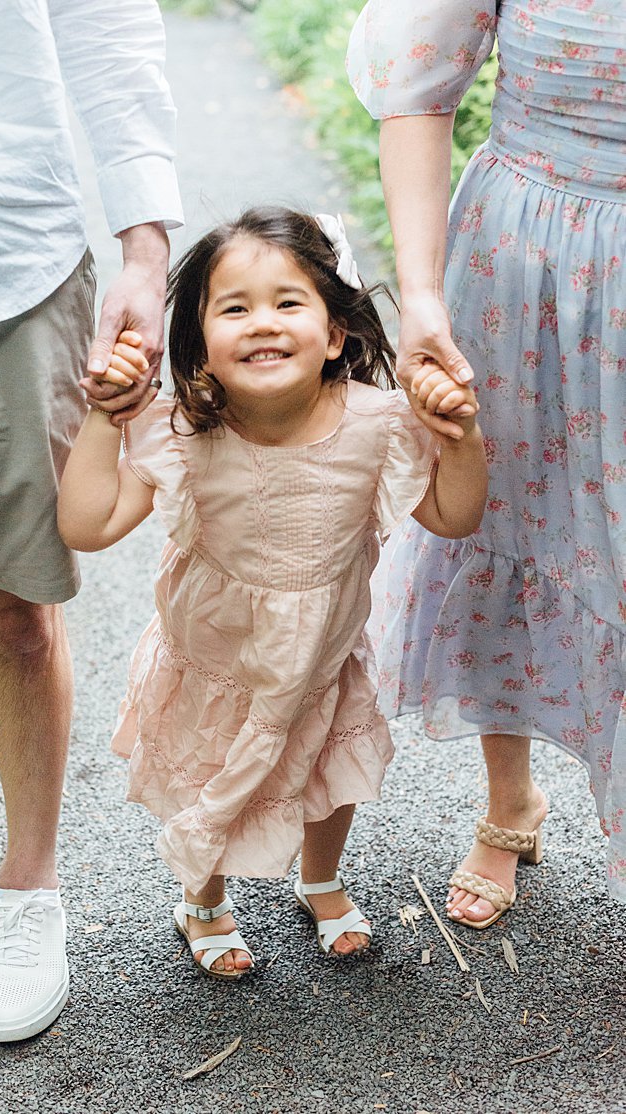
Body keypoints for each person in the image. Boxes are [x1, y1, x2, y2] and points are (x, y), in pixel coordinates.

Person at [57, 206, 488, 976]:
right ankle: (205, 899)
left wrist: (460, 436)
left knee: (328, 771)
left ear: (336, 334)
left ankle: (319, 878)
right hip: (214, 657)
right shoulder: (188, 429)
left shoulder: (380, 425)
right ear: (201, 345)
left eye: (288, 302)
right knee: (204, 773)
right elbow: (87, 525)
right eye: (235, 308)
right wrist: (105, 416)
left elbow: (455, 516)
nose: (263, 323)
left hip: (321, 654)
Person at [0, 1, 181, 1107]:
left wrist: (144, 246)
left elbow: (106, 21)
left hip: (5, 256)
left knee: (14, 611)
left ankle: (29, 888)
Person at [347, 0, 626, 926]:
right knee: (514, 514)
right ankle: (511, 802)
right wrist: (420, 292)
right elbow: (419, 90)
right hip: (528, 267)